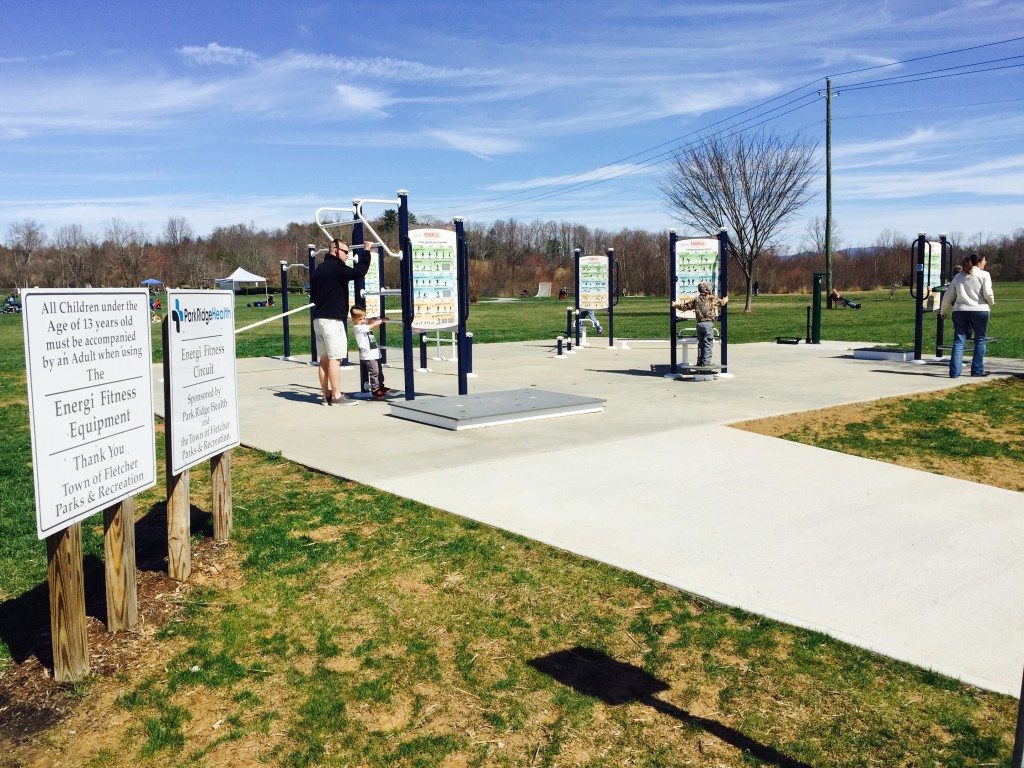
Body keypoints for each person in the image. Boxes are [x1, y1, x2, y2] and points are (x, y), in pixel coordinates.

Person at [311, 239, 370, 405]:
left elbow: (314, 296)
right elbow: (359, 272)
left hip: (319, 319)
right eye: (345, 252)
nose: (347, 255)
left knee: (323, 359)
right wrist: (366, 252)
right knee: (335, 358)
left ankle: (326, 395)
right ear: (335, 250)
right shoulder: (337, 268)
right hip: (332, 320)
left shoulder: (319, 269)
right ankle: (337, 396)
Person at [939, 253, 995, 378]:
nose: (985, 263)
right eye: (985, 261)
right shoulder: (984, 275)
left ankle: (954, 372)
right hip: (980, 310)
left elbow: (948, 296)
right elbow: (988, 293)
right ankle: (977, 370)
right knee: (980, 340)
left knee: (959, 341)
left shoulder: (959, 276)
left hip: (960, 311)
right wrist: (990, 304)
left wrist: (943, 311)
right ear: (979, 262)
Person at [670, 281, 728, 366]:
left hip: (699, 324)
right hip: (708, 324)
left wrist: (675, 305)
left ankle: (700, 362)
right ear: (709, 289)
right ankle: (706, 363)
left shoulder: (696, 299)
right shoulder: (712, 298)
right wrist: (725, 300)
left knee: (700, 344)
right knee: (708, 343)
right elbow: (721, 303)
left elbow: (685, 306)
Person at [350, 306, 393, 400]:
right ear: (354, 320)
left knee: (379, 371)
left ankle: (380, 386)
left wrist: (373, 319)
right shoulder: (357, 328)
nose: (362, 320)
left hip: (375, 353)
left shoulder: (363, 326)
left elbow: (370, 323)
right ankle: (375, 389)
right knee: (374, 372)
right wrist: (382, 320)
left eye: (364, 318)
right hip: (368, 355)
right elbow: (372, 325)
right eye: (360, 319)